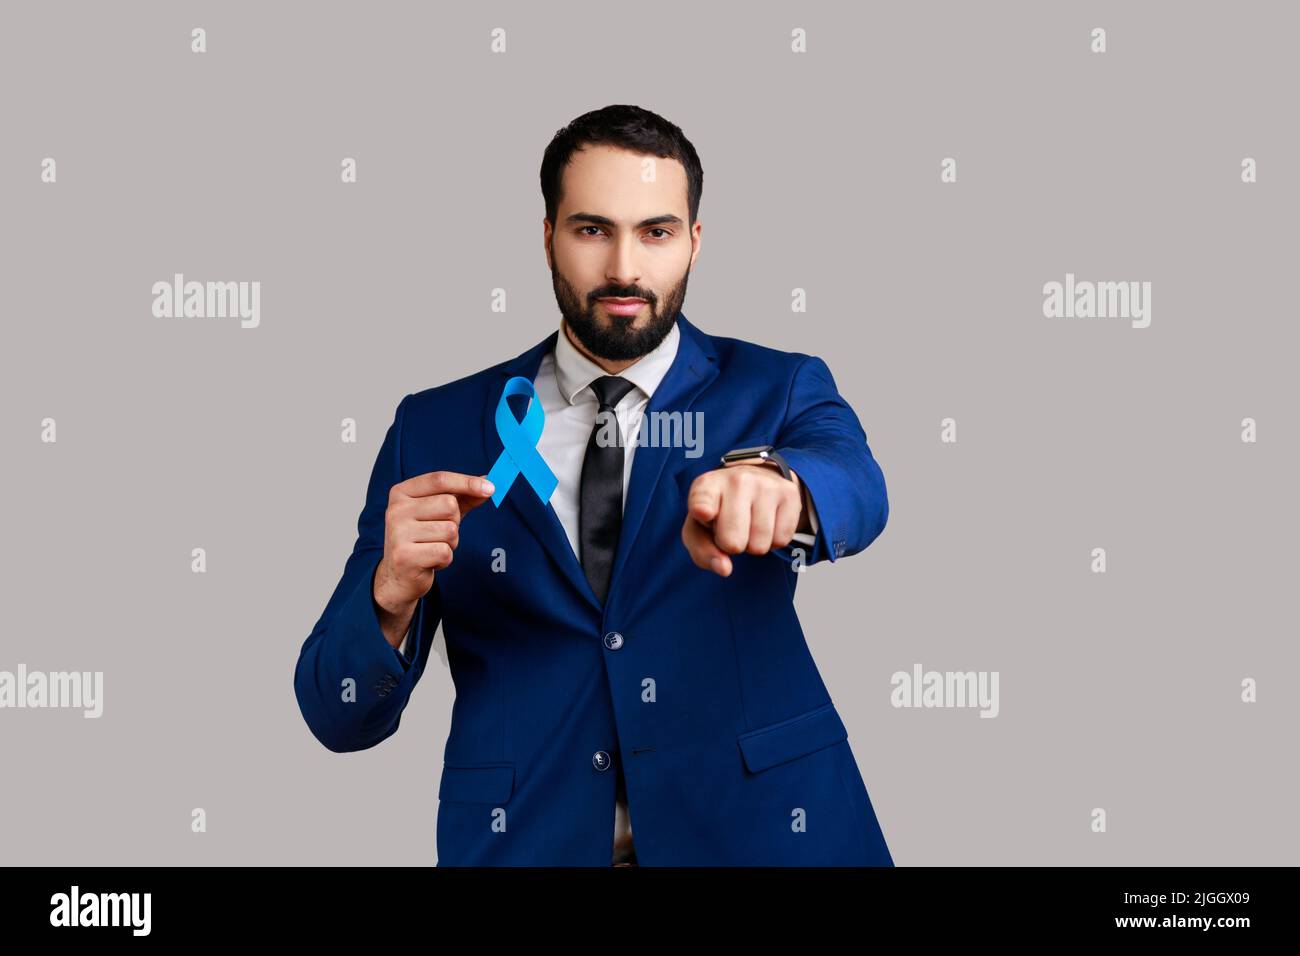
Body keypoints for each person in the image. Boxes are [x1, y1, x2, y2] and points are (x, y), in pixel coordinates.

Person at [293, 104, 894, 866]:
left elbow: (858, 483)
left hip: (765, 834)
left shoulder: (776, 387)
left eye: (656, 231)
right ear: (547, 235)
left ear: (695, 242)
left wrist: (787, 487)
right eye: (591, 229)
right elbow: (335, 714)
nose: (623, 269)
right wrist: (387, 597)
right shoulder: (433, 427)